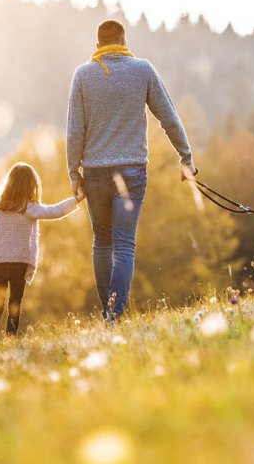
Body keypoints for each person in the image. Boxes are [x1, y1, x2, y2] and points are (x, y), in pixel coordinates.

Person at [66, 19, 196, 322]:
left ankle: (107, 313)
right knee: (124, 243)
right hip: (132, 171)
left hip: (95, 171)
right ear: (124, 42)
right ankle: (113, 314)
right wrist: (185, 156)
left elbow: (75, 130)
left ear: (97, 45)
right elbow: (169, 117)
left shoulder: (83, 74)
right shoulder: (142, 69)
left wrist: (74, 173)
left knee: (102, 241)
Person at [0, 162, 82, 337]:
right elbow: (55, 211)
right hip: (18, 262)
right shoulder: (27, 208)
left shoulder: (1, 208)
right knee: (15, 302)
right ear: (31, 185)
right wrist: (77, 199)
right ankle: (10, 337)